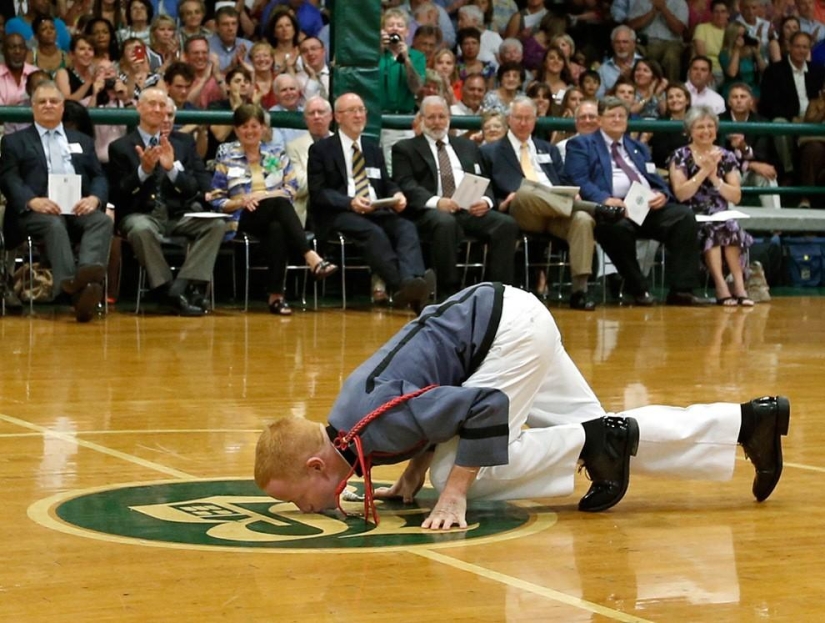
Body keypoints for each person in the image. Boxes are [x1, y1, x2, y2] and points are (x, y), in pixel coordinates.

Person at [254, 281, 791, 530]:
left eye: (298, 497)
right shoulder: (351, 426)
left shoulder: (373, 423)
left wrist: (453, 495)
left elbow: (481, 406)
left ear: (316, 465)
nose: (303, 508)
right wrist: (408, 474)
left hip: (507, 331)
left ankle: (592, 444)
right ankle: (749, 422)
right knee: (610, 430)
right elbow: (432, 405)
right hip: (504, 319)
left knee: (456, 472)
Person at [481, 96, 625, 311]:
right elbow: (487, 189)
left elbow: (564, 181)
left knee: (583, 220)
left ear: (535, 120)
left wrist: (572, 196)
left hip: (558, 212)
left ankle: (579, 291)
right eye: (518, 118)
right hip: (521, 210)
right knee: (525, 191)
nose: (523, 123)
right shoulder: (490, 151)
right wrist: (501, 202)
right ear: (509, 119)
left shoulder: (548, 149)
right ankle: (596, 208)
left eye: (528, 118)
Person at [565, 96, 708, 307]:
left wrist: (662, 194)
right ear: (600, 120)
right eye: (611, 115)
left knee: (683, 217)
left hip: (643, 205)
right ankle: (638, 288)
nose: (617, 119)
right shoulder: (581, 144)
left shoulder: (636, 147)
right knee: (615, 227)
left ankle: (681, 290)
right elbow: (578, 180)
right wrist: (605, 198)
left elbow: (654, 178)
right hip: (609, 209)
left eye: (621, 115)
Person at [307, 92, 433, 314]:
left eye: (362, 110)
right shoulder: (321, 149)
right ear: (338, 116)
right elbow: (319, 193)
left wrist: (397, 195)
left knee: (406, 227)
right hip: (340, 213)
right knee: (372, 233)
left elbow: (386, 182)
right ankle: (406, 286)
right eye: (352, 111)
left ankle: (411, 282)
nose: (359, 115)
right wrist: (350, 202)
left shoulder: (372, 147)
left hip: (375, 207)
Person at [210, 104, 337, 315]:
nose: (249, 131)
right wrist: (241, 201)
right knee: (278, 204)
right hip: (243, 218)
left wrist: (263, 196)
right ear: (236, 129)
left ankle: (276, 297)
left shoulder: (276, 155)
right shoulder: (227, 158)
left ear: (263, 128)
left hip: (273, 214)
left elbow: (291, 188)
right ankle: (311, 256)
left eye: (254, 126)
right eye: (244, 127)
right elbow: (216, 198)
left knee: (277, 227)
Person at [0, 81, 111, 322]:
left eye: (54, 101)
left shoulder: (81, 139)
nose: (48, 105)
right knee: (53, 224)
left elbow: (98, 176)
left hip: (77, 207)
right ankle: (73, 291)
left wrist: (94, 198)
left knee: (101, 221)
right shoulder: (14, 141)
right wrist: (31, 201)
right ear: (33, 107)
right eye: (42, 101)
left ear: (63, 107)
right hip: (34, 212)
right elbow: (8, 178)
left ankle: (81, 280)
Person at [107, 87, 224, 316]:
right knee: (141, 229)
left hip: (176, 215)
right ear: (139, 108)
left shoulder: (183, 144)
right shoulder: (120, 147)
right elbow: (118, 193)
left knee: (216, 225)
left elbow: (192, 189)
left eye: (162, 106)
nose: (158, 110)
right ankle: (164, 287)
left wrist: (172, 170)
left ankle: (178, 289)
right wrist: (143, 171)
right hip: (140, 214)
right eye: (152, 104)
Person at [392, 96, 520, 299]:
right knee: (445, 223)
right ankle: (448, 292)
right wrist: (437, 202)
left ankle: (497, 291)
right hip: (430, 212)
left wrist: (485, 201)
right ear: (422, 119)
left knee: (506, 224)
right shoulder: (405, 148)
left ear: (449, 118)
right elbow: (406, 184)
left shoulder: (467, 146)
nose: (437, 122)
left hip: (468, 207)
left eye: (441, 116)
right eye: (431, 117)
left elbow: (483, 179)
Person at [669, 106, 754, 306]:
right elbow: (681, 194)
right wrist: (704, 171)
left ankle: (740, 288)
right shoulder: (680, 156)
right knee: (715, 229)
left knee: (729, 224)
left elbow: (736, 195)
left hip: (720, 211)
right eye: (700, 127)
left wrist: (715, 178)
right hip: (690, 214)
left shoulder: (726, 156)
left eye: (710, 126)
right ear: (689, 131)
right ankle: (721, 287)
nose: (706, 131)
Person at [758, 31, 825, 186]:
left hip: (815, 118)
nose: (801, 50)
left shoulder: (818, 71)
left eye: (805, 47)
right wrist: (794, 118)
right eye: (797, 46)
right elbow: (768, 104)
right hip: (789, 118)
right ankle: (789, 172)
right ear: (789, 47)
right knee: (779, 124)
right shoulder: (774, 71)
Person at [719, 83, 782, 209]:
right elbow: (719, 155)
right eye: (735, 97)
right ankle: (729, 225)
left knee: (768, 177)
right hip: (729, 170)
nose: (739, 100)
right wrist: (749, 164)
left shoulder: (762, 122)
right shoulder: (718, 121)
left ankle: (776, 225)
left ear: (751, 101)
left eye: (743, 97)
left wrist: (743, 147)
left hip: (753, 173)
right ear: (729, 102)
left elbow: (763, 154)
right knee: (729, 175)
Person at [285, 95, 333, 227]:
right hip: (309, 208)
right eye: (312, 113)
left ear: (331, 116)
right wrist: (331, 174)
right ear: (306, 120)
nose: (317, 117)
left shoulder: (342, 143)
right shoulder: (293, 147)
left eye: (321, 112)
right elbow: (298, 186)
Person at [626, 0, 688, 83]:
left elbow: (679, 29)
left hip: (670, 43)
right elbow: (631, 26)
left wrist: (663, 9)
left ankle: (672, 89)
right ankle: (631, 87)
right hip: (645, 43)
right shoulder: (640, 2)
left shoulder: (679, 2)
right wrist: (652, 12)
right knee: (631, 51)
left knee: (671, 56)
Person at [646, 82, 692, 170]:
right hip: (668, 170)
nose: (674, 100)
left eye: (678, 96)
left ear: (687, 100)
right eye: (670, 97)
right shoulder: (660, 124)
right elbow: (661, 155)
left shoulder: (696, 122)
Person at [719, 22, 768, 99]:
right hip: (734, 90)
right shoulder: (725, 54)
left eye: (745, 34)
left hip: (753, 89)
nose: (743, 38)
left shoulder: (751, 50)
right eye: (739, 35)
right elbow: (732, 73)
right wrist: (737, 49)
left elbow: (765, 72)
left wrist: (758, 54)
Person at [597, 24, 642, 98]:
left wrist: (632, 77)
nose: (621, 46)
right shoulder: (603, 70)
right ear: (612, 44)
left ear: (633, 44)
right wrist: (620, 80)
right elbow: (599, 99)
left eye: (625, 42)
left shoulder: (645, 65)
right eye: (617, 42)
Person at [693, 0, 731, 84]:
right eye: (716, 12)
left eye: (723, 12)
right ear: (711, 13)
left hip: (727, 71)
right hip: (707, 69)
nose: (719, 15)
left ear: (728, 14)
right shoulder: (702, 28)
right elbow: (701, 54)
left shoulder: (731, 32)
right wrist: (708, 71)